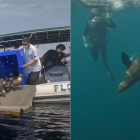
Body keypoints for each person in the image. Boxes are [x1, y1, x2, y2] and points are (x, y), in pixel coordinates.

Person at [83, 9, 116, 81]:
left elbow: (84, 35)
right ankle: (106, 69)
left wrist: (86, 43)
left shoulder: (92, 23)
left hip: (96, 43)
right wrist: (110, 19)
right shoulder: (102, 22)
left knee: (98, 58)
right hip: (101, 43)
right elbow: (114, 26)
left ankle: (105, 69)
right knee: (102, 58)